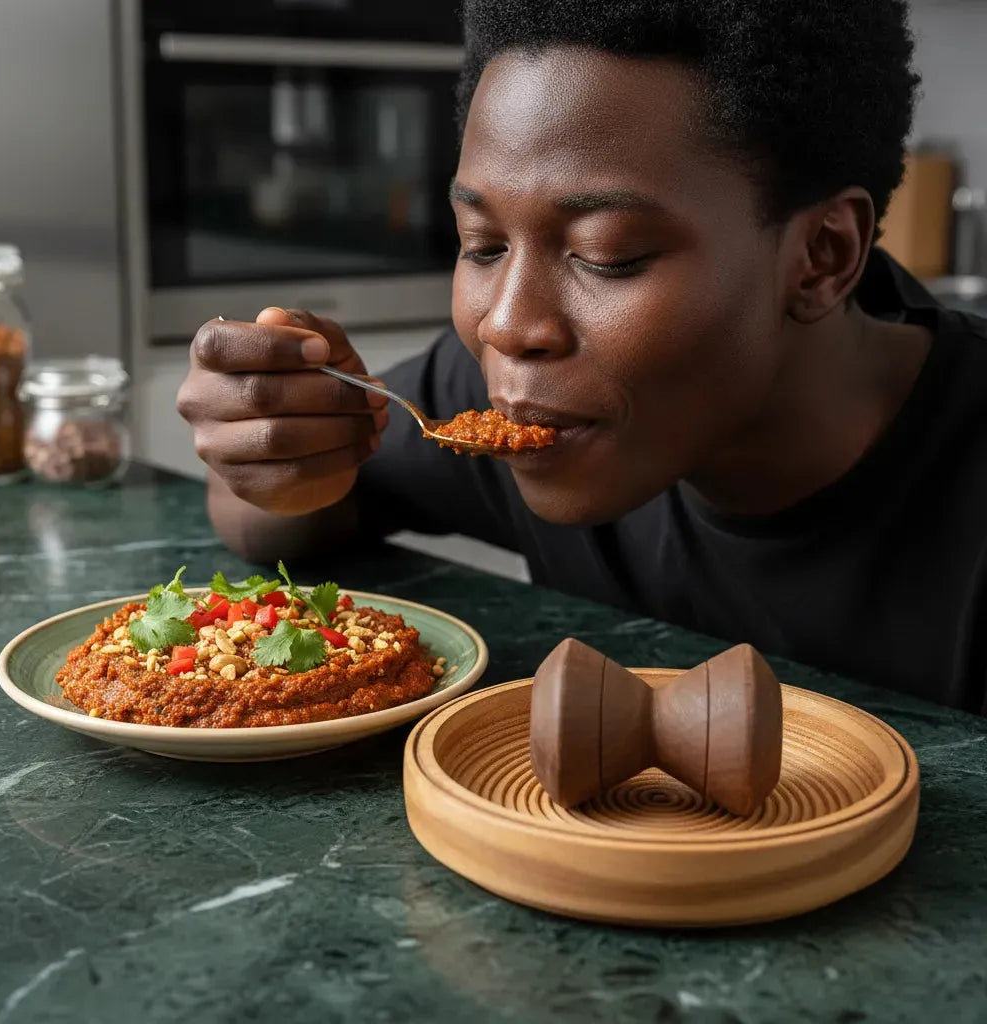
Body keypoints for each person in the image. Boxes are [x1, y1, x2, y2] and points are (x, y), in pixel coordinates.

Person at [176, 0, 987, 714]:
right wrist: (281, 442)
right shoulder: (520, 402)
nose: (506, 325)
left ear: (820, 256)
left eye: (606, 255)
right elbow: (263, 520)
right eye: (481, 244)